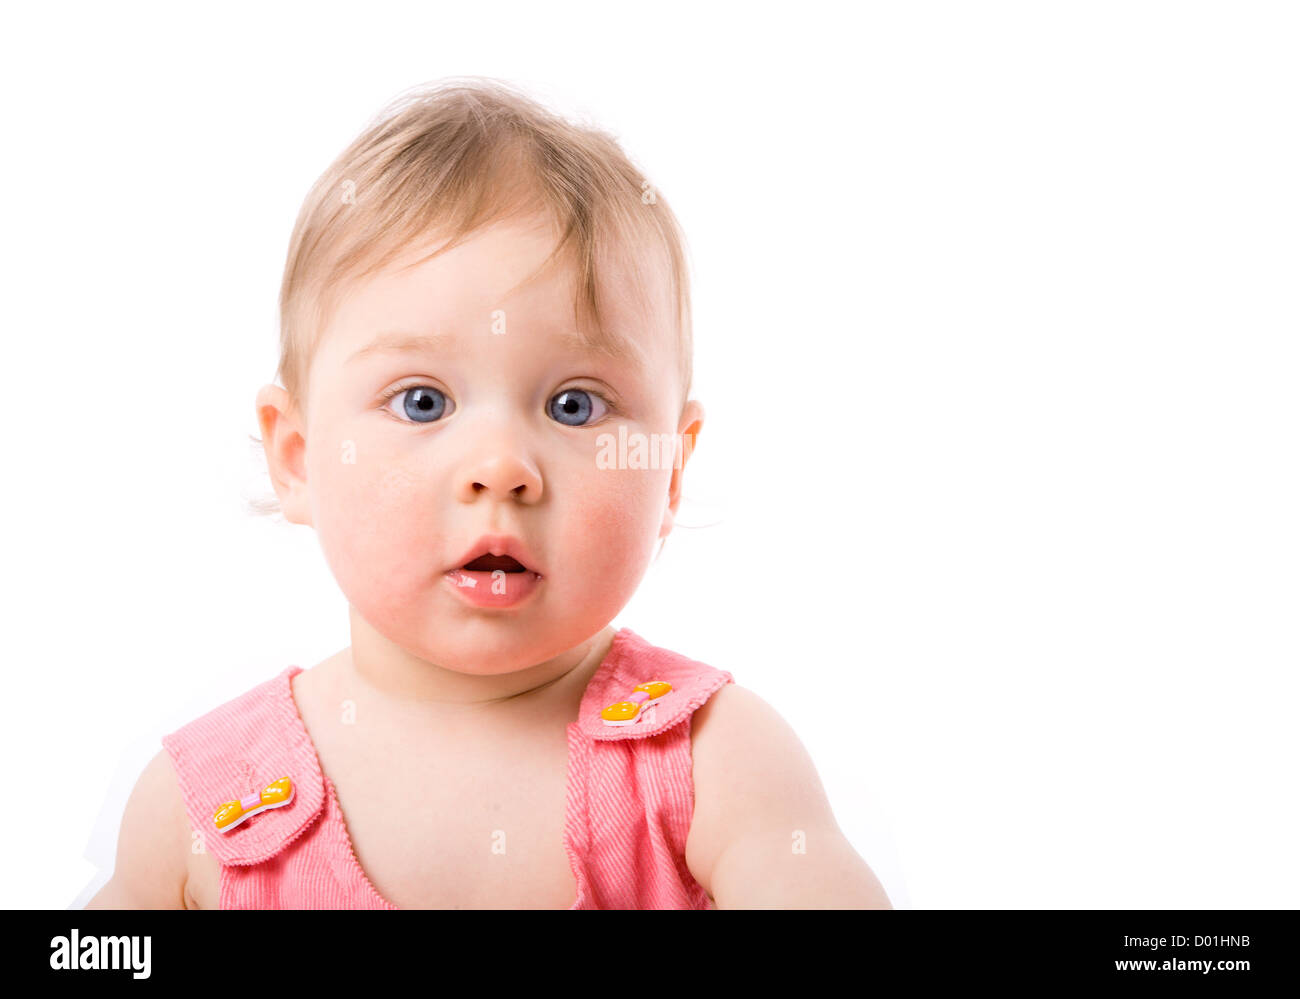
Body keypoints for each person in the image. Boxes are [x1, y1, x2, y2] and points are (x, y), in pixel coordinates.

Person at [87, 76, 891, 909]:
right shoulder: (206, 810)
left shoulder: (717, 768)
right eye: (422, 401)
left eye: (574, 405)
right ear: (297, 456)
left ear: (671, 470)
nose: (502, 467)